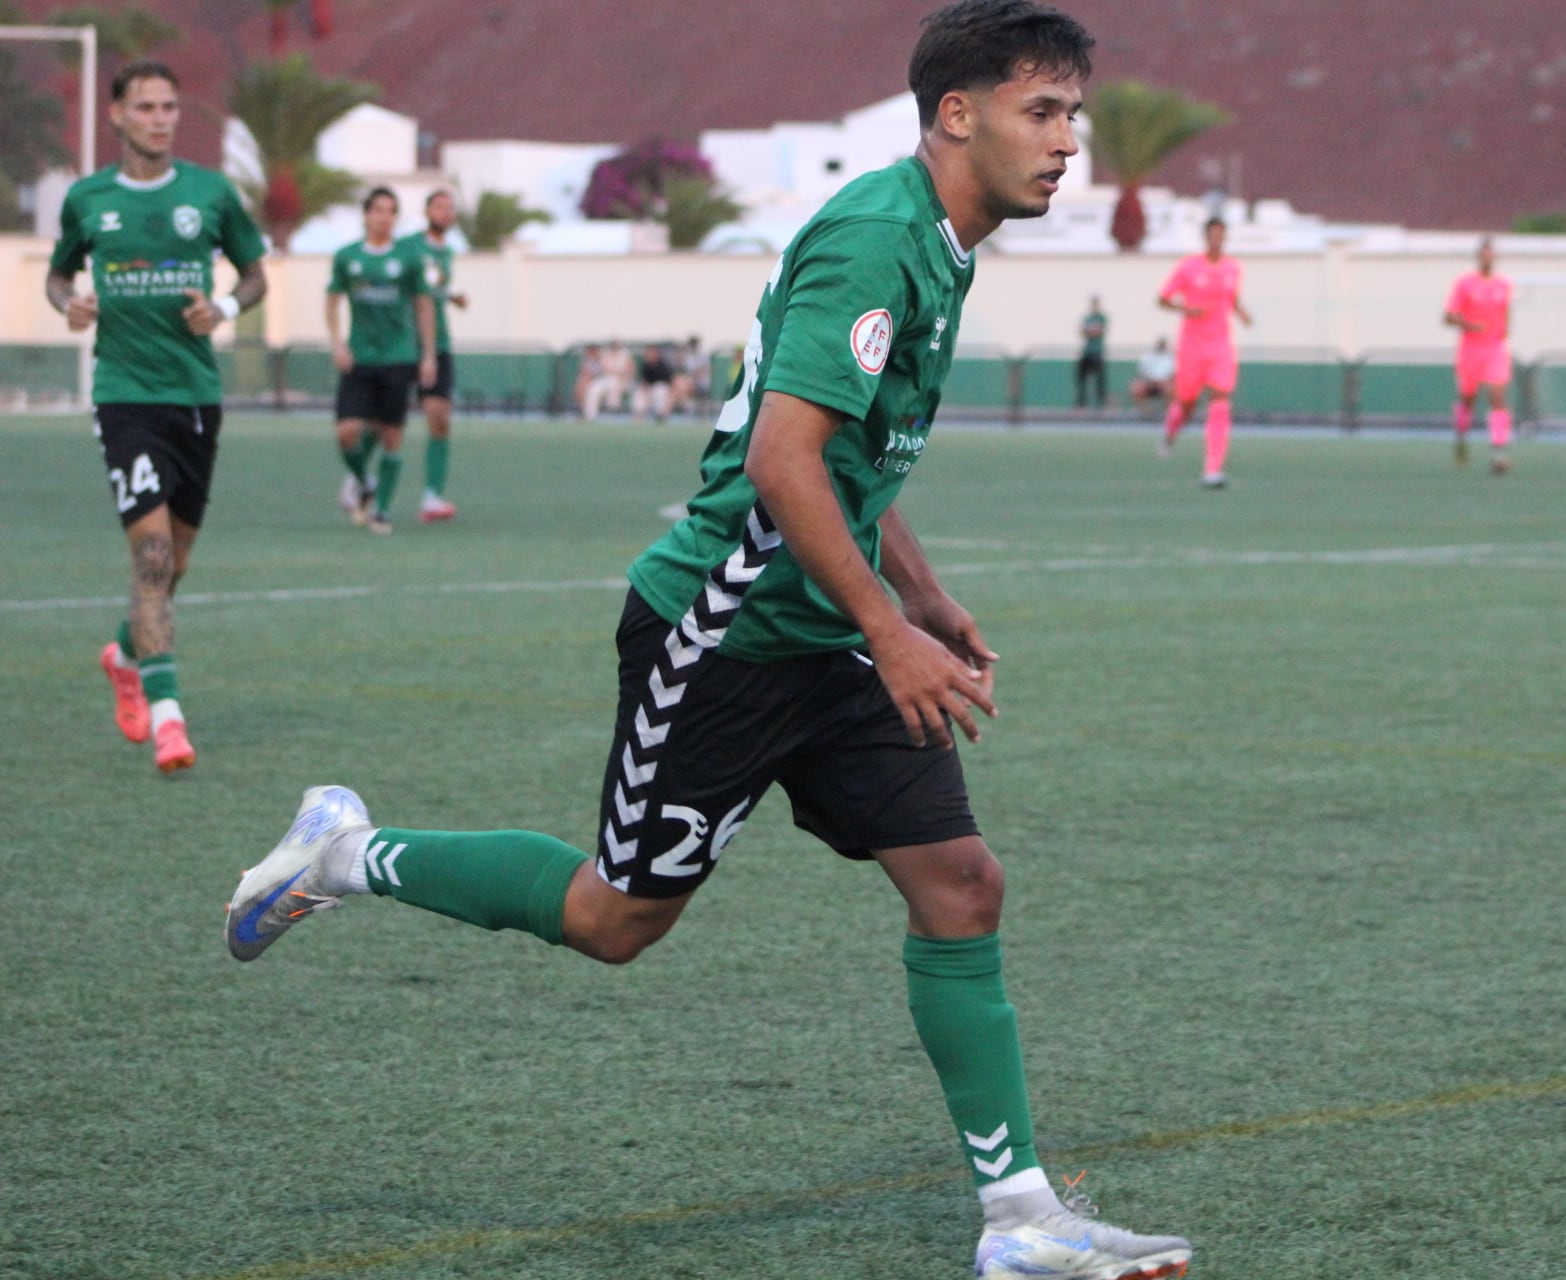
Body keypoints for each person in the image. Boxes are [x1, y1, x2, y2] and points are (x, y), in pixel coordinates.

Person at [224, 5, 1191, 1278]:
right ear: (958, 114)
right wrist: (887, 626)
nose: (1071, 143)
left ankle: (1020, 1221)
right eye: (1045, 111)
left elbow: (850, 456)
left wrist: (924, 595)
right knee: (614, 918)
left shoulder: (944, 244)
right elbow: (783, 460)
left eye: (1076, 114)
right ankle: (349, 851)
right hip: (721, 633)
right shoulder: (874, 239)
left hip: (825, 636)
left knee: (963, 882)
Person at [48, 61, 267, 774]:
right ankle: (170, 719)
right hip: (124, 395)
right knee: (150, 557)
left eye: (170, 105)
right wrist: (69, 303)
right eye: (145, 106)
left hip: (196, 394)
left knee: (176, 561)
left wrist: (226, 307)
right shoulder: (88, 199)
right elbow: (58, 275)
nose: (161, 117)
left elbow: (254, 271)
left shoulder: (211, 194)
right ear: (116, 115)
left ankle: (123, 648)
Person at [327, 187, 435, 535]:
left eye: (391, 211)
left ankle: (382, 512)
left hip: (398, 357)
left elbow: (423, 304)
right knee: (346, 432)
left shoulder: (408, 257)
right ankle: (365, 481)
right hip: (360, 357)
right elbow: (332, 300)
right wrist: (337, 343)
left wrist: (428, 354)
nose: (384, 217)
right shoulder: (347, 256)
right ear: (366, 215)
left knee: (390, 435)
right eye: (378, 210)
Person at [1157, 217, 1252, 488]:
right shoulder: (1188, 267)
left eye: (1221, 235)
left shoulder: (1233, 268)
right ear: (1205, 237)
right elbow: (1162, 298)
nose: (1217, 240)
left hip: (1221, 344)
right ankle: (1171, 430)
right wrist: (1186, 310)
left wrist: (1241, 312)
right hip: (1191, 346)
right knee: (1186, 402)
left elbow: (1232, 297)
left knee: (1220, 398)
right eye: (1212, 235)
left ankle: (1212, 469)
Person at [397, 188, 467, 523]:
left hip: (437, 345)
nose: (445, 213)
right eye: (439, 207)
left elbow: (431, 286)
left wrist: (452, 297)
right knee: (381, 423)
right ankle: (360, 481)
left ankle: (432, 497)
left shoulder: (448, 252)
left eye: (450, 208)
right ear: (427, 211)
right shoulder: (409, 246)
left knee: (439, 417)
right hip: (400, 344)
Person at [1445, 234, 1515, 474]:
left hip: (1494, 349)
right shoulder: (1464, 284)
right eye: (1483, 254)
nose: (1487, 258)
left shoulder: (1504, 285)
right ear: (1478, 257)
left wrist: (1504, 336)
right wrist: (1469, 324)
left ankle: (1499, 453)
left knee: (1497, 397)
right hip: (1470, 349)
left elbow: (1506, 312)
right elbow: (1448, 316)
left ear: (1494, 257)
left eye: (1490, 254)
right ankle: (1461, 437)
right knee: (1468, 399)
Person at [1075, 294, 1107, 408]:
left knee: (1100, 379)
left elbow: (1098, 331)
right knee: (1081, 378)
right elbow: (1081, 331)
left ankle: (1100, 403)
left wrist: (1089, 331)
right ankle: (1081, 402)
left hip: (1097, 352)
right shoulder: (1087, 318)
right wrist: (1090, 331)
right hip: (1086, 352)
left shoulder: (1102, 318)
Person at [1130, 336, 1174, 411]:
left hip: (1164, 384)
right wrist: (1149, 381)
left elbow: (1172, 374)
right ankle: (1145, 411)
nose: (1161, 346)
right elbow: (1142, 373)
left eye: (1163, 344)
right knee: (1136, 388)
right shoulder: (1147, 357)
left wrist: (1163, 382)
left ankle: (1168, 411)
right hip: (1149, 383)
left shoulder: (1171, 357)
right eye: (1160, 344)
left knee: (1171, 388)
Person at [637, 342, 676, 422]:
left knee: (659, 390)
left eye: (652, 352)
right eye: (648, 352)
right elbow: (645, 382)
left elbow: (670, 384)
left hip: (663, 390)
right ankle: (639, 417)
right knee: (639, 393)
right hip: (649, 390)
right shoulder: (646, 365)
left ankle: (661, 416)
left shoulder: (663, 366)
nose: (649, 354)